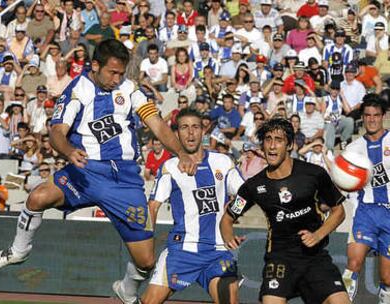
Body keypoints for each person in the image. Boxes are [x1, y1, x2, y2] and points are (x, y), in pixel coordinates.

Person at [0, 40, 196, 304]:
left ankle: (126, 289)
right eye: (112, 73)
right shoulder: (77, 90)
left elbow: (159, 126)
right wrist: (69, 151)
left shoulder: (130, 90)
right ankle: (18, 251)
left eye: (121, 73)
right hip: (86, 173)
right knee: (37, 197)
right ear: (95, 65)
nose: (117, 79)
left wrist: (182, 153)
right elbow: (57, 133)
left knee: (147, 262)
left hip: (126, 182)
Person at [220, 118, 351, 304]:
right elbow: (227, 218)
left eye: (279, 140)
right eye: (268, 139)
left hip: (315, 258)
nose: (272, 146)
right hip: (279, 258)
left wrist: (317, 235)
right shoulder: (254, 186)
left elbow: (339, 211)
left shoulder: (314, 174)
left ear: (290, 145)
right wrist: (228, 238)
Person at [141, 109, 244, 304]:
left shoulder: (222, 162)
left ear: (203, 131)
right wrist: (147, 247)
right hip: (181, 250)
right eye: (184, 128)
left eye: (195, 127)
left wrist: (232, 213)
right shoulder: (170, 167)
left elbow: (245, 195)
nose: (190, 133)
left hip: (219, 250)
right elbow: (152, 207)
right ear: (177, 133)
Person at [342, 94, 390, 304]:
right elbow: (343, 181)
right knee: (353, 263)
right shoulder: (352, 150)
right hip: (365, 212)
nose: (372, 120)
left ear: (384, 116)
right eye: (368, 115)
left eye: (376, 115)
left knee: (387, 278)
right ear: (362, 117)